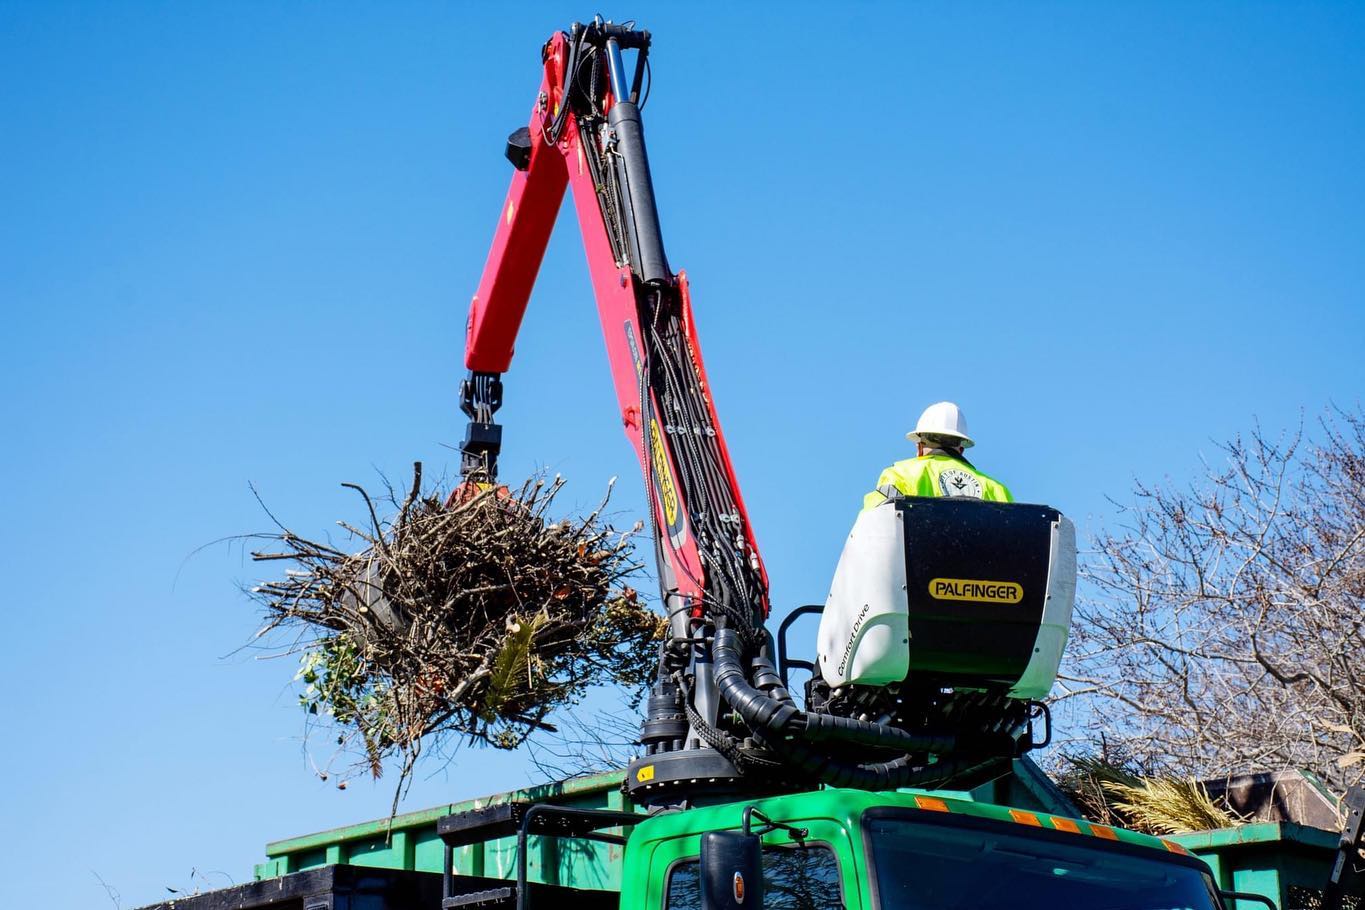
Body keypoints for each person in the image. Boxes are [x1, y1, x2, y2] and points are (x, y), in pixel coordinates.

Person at [862, 401, 1012, 510]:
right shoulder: (997, 490)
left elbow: (873, 526)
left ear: (919, 446)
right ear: (961, 449)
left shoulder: (900, 475)